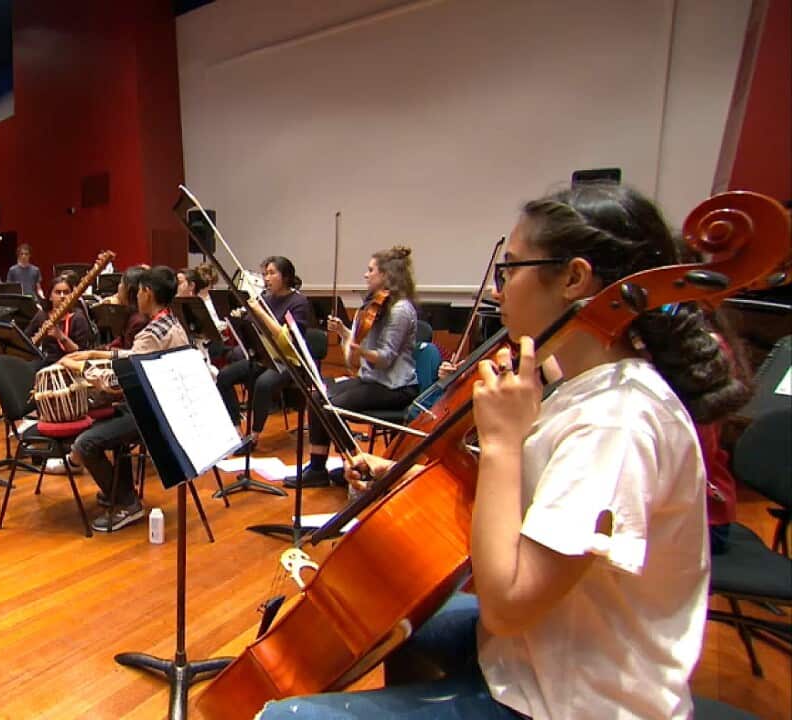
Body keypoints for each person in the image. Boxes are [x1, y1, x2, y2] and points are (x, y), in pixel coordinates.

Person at [258, 182, 749, 719]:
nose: (498, 291)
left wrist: (499, 444)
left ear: (574, 278)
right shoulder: (576, 382)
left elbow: (509, 602)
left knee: (285, 717)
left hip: (581, 700)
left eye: (509, 270)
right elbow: (525, 500)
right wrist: (401, 476)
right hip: (541, 649)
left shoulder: (617, 418)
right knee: (395, 623)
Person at [55, 266, 190, 532]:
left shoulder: (153, 333)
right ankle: (120, 490)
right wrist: (94, 355)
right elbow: (134, 356)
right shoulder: (169, 322)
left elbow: (117, 382)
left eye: (138, 291)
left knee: (86, 442)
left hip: (153, 414)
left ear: (147, 293)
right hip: (159, 406)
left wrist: (79, 368)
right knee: (109, 428)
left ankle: (128, 504)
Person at [296, 246, 419, 488]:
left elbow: (385, 358)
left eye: (370, 270)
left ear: (387, 275)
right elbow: (355, 358)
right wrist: (344, 332)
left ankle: (359, 464)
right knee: (317, 397)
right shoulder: (376, 306)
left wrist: (360, 349)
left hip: (395, 387)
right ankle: (318, 468)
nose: (366, 274)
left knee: (331, 407)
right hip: (372, 380)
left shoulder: (400, 310)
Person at [215, 256, 314, 436]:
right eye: (264, 274)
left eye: (271, 273)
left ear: (285, 276)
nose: (266, 278)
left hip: (288, 360)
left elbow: (287, 339)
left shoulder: (299, 302)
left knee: (263, 384)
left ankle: (254, 435)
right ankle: (236, 430)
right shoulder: (265, 298)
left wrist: (260, 311)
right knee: (224, 376)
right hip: (264, 356)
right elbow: (252, 328)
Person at [27, 274, 92, 365]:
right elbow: (26, 339)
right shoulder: (42, 315)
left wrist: (61, 337)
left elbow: (81, 352)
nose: (62, 296)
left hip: (71, 363)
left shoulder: (78, 317)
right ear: (50, 297)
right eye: (58, 292)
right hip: (45, 361)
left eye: (66, 292)